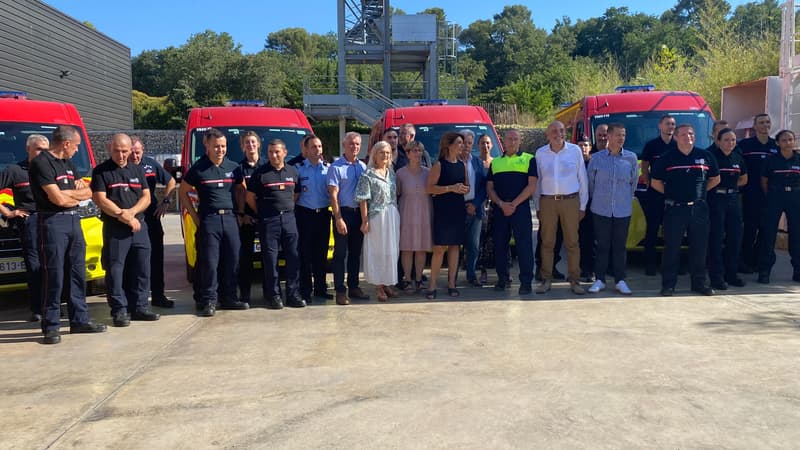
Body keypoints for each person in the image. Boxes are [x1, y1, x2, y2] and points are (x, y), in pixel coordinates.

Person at [29, 125, 107, 344]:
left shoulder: (68, 163)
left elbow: (88, 191)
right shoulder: (41, 163)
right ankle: (51, 326)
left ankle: (79, 320)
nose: (76, 149)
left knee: (76, 273)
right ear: (66, 143)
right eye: (76, 146)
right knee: (54, 275)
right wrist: (72, 195)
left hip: (74, 220)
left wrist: (71, 194)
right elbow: (58, 200)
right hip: (53, 222)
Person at [91, 134, 159, 326]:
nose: (121, 155)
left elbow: (146, 196)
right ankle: (119, 310)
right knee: (115, 270)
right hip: (116, 228)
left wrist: (133, 213)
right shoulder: (101, 171)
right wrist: (124, 216)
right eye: (117, 151)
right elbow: (100, 199)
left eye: (124, 151)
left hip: (139, 227)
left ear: (130, 150)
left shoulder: (137, 170)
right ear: (109, 149)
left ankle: (140, 307)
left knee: (142, 268)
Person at [179, 128, 248, 317]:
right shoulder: (198, 169)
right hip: (209, 219)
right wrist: (194, 216)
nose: (220, 150)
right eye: (216, 146)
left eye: (223, 146)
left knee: (233, 259)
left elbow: (242, 189)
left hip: (230, 218)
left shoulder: (233, 167)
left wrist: (240, 212)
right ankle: (209, 300)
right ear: (207, 146)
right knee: (210, 262)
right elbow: (183, 191)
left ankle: (230, 298)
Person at [650, 124, 720, 296]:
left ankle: (699, 284)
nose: (688, 137)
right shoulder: (667, 158)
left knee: (700, 248)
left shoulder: (705, 156)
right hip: (675, 210)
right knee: (671, 249)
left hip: (699, 209)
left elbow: (715, 179)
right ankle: (668, 286)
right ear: (676, 137)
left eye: (691, 134)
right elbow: (655, 182)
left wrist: (700, 194)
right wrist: (673, 195)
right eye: (683, 134)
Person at [246, 139, 304, 309]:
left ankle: (293, 294)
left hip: (289, 219)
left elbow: (296, 194)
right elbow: (250, 197)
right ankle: (274, 295)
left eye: (277, 152)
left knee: (293, 258)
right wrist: (263, 212)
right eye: (271, 152)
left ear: (284, 152)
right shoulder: (260, 173)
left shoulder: (293, 171)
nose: (274, 155)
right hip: (268, 221)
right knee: (270, 260)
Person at [534, 121, 589, 295]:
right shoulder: (540, 154)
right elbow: (538, 182)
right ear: (547, 135)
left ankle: (574, 280)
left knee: (572, 243)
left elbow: (583, 179)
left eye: (562, 130)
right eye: (554, 131)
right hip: (548, 202)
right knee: (547, 243)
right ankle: (546, 279)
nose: (559, 134)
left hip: (571, 201)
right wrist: (538, 206)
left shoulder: (575, 151)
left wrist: (583, 206)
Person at [586, 124, 638, 295]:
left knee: (619, 246)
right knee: (602, 245)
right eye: (617, 135)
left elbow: (633, 184)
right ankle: (599, 279)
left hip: (622, 210)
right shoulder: (597, 159)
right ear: (608, 136)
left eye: (623, 135)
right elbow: (590, 184)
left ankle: (620, 280)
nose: (621, 138)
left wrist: (622, 199)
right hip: (601, 209)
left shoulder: (631, 158)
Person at [0, 135, 47, 322]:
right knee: (34, 266)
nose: (42, 153)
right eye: (38, 149)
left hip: (51, 221)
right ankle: (38, 308)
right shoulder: (15, 170)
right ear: (28, 149)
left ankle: (52, 306)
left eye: (45, 149)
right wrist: (8, 213)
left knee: (51, 266)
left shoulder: (52, 168)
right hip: (29, 222)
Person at [486, 128, 537, 294]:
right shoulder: (495, 163)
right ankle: (502, 279)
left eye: (515, 139)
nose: (512, 142)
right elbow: (490, 188)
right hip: (500, 210)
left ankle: (526, 282)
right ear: (504, 141)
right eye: (509, 139)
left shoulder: (529, 160)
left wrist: (513, 204)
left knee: (524, 246)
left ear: (520, 141)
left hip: (520, 209)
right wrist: (501, 204)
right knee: (500, 246)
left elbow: (532, 186)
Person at [130, 136, 176, 308]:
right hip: (131, 219)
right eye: (132, 152)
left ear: (143, 150)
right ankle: (133, 299)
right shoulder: (122, 166)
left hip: (151, 218)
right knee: (134, 261)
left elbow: (171, 181)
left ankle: (158, 296)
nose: (135, 156)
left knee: (156, 259)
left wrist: (166, 201)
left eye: (138, 152)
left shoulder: (150, 165)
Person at [328, 132, 370, 305]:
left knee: (355, 254)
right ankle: (339, 290)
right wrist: (338, 218)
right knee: (340, 254)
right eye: (351, 144)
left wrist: (365, 218)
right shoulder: (336, 167)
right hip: (343, 213)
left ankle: (354, 286)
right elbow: (333, 195)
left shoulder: (363, 167)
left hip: (358, 215)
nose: (355, 147)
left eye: (358, 144)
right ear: (344, 145)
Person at [426, 132, 469, 298]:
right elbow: (429, 188)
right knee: (439, 248)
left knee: (454, 247)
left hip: (458, 209)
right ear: (449, 145)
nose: (462, 146)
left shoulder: (462, 165)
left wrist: (463, 189)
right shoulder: (439, 165)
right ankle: (432, 285)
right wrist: (450, 188)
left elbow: (467, 186)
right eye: (459, 143)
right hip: (443, 210)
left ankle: (452, 283)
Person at [355, 141, 401, 301]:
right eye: (382, 152)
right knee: (377, 251)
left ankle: (388, 282)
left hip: (392, 215)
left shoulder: (391, 174)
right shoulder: (367, 175)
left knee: (391, 251)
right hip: (376, 216)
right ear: (375, 154)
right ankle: (379, 286)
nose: (385, 155)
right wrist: (365, 220)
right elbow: (362, 199)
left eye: (387, 152)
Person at [756, 130, 800, 284]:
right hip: (775, 196)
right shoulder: (771, 160)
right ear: (778, 143)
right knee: (769, 234)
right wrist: (772, 195)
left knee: (797, 233)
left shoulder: (798, 159)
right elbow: (764, 181)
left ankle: (798, 270)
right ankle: (764, 271)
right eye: (784, 140)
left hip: (795, 197)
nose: (787, 142)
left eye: (790, 139)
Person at [707, 127, 747, 289]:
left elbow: (744, 179)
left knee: (735, 238)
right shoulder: (711, 157)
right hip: (716, 200)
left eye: (733, 140)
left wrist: (730, 186)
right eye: (726, 140)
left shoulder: (738, 157)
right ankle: (716, 277)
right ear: (718, 141)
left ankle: (731, 275)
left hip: (733, 199)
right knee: (716, 239)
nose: (730, 143)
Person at [295, 135, 332, 303]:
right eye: (314, 147)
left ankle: (320, 288)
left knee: (321, 254)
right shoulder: (298, 169)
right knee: (305, 254)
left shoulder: (328, 169)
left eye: (320, 146)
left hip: (323, 214)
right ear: (306, 150)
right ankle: (305, 290)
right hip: (305, 215)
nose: (317, 150)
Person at [740, 113, 779, 273]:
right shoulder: (745, 145)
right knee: (750, 229)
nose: (765, 125)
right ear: (754, 126)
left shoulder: (776, 146)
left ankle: (760, 261)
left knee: (766, 230)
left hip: (770, 195)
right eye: (761, 122)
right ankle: (745, 262)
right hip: (750, 194)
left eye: (767, 122)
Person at [639, 114, 677, 275]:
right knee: (653, 229)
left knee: (673, 231)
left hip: (674, 193)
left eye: (673, 124)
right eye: (667, 124)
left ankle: (672, 265)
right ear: (660, 126)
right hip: (655, 193)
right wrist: (648, 181)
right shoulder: (651, 145)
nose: (670, 127)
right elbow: (645, 166)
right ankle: (650, 264)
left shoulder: (678, 145)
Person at [396, 140, 432, 292]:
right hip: (407, 212)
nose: (418, 153)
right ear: (408, 153)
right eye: (414, 150)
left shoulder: (428, 172)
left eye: (420, 150)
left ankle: (419, 279)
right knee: (407, 247)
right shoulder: (400, 173)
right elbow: (396, 194)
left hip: (424, 212)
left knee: (421, 247)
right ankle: (407, 279)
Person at [234, 131, 265, 304]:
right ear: (242, 146)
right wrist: (242, 215)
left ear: (258, 144)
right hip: (246, 219)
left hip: (265, 218)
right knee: (245, 258)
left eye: (253, 142)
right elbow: (239, 194)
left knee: (267, 257)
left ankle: (269, 293)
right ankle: (244, 294)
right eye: (247, 142)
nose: (250, 145)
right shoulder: (238, 169)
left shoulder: (267, 165)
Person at [460, 130, 489, 287]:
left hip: (475, 208)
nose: (466, 146)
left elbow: (484, 187)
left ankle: (471, 275)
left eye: (469, 143)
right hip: (457, 209)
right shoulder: (451, 161)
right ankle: (452, 277)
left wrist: (475, 204)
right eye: (463, 142)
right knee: (454, 246)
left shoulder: (477, 162)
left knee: (474, 245)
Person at [476, 134, 494, 284]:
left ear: (492, 145)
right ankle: (482, 271)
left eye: (488, 143)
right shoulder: (475, 163)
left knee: (495, 240)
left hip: (495, 206)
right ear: (478, 145)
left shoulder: (497, 163)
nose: (485, 146)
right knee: (480, 240)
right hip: (480, 206)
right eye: (482, 143)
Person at [578, 135, 596, 282]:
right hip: (575, 205)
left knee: (591, 239)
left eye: (586, 145)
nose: (583, 148)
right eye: (580, 145)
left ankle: (590, 270)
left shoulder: (595, 162)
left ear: (590, 147)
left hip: (593, 205)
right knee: (577, 240)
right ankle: (581, 269)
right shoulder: (573, 163)